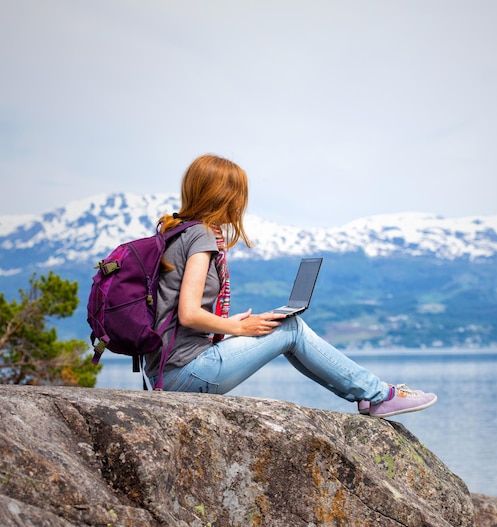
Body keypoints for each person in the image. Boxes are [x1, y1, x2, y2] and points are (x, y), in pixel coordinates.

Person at [144, 154, 437, 418]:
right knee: (291, 328)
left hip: (168, 371)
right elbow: (188, 314)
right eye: (238, 195)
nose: (240, 203)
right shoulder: (201, 236)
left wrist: (226, 323)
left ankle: (368, 395)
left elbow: (178, 315)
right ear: (224, 196)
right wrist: (239, 329)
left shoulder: (177, 232)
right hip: (185, 374)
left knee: (281, 326)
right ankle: (378, 395)